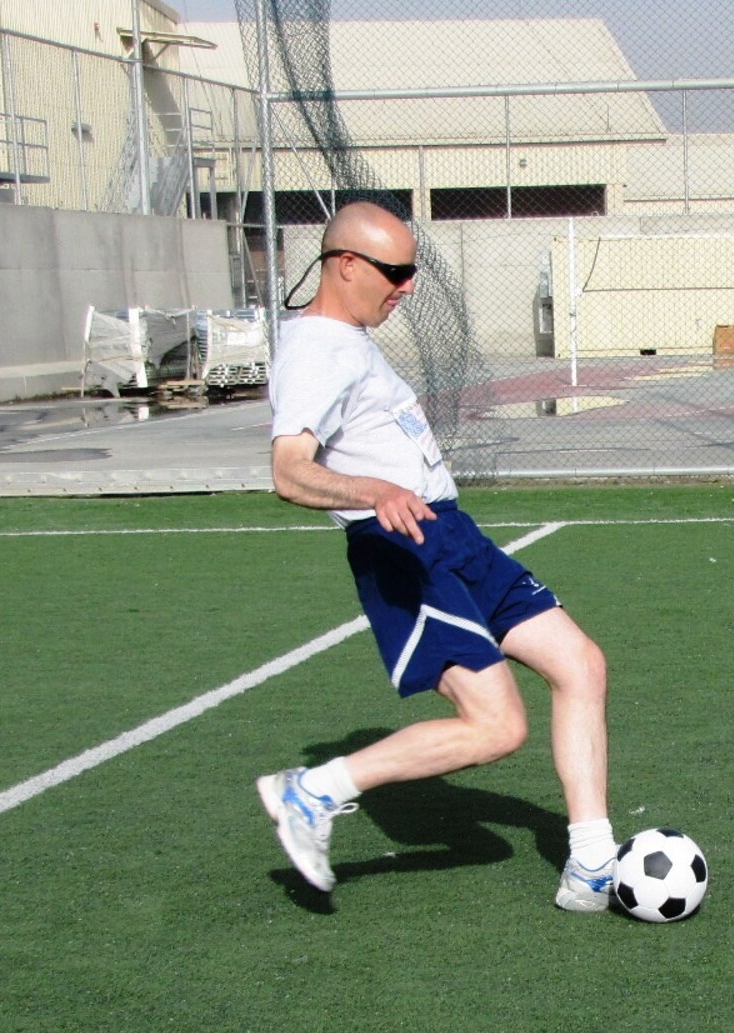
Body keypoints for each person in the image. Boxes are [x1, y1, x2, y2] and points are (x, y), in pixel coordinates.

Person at [256, 200, 616, 911]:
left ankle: (593, 863)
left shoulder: (350, 339)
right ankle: (313, 792)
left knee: (580, 664)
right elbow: (288, 469)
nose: (408, 286)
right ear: (346, 265)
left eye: (412, 271)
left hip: (448, 532)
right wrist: (372, 489)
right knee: (496, 727)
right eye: (396, 272)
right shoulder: (313, 349)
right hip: (400, 546)